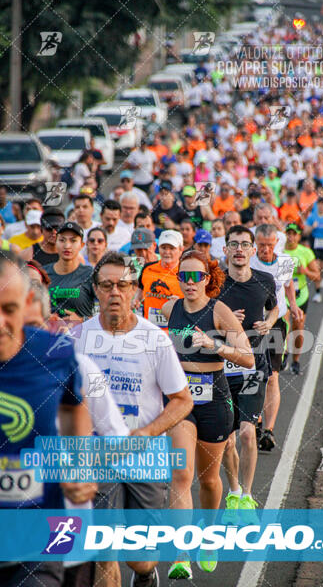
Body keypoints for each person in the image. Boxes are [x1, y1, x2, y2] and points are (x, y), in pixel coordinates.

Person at [73, 251, 193, 587]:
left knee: (138, 557)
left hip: (144, 456)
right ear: (95, 290)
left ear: (135, 291)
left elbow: (182, 400)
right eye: (107, 285)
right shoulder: (78, 339)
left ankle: (145, 573)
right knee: (104, 550)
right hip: (97, 456)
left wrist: (148, 432)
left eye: (123, 285)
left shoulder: (154, 339)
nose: (115, 292)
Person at [0, 252, 95, 587]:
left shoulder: (55, 352)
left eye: (8, 310)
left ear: (27, 303)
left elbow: (74, 406)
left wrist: (79, 464)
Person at [162, 250, 255, 579]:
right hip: (181, 400)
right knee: (181, 476)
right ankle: (181, 555)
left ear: (207, 279)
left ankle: (209, 536)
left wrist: (215, 345)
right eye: (184, 277)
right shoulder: (168, 308)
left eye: (196, 277)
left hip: (214, 398)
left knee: (209, 479)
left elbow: (247, 358)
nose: (189, 283)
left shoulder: (219, 311)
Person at [218, 225, 278, 520]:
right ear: (225, 251)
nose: (239, 249)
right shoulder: (215, 285)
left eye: (244, 244)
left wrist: (270, 322)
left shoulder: (265, 280)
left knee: (247, 434)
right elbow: (201, 320)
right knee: (227, 440)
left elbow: (275, 308)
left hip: (254, 368)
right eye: (233, 244)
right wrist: (226, 322)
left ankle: (248, 495)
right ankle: (233, 490)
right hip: (222, 371)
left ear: (253, 251)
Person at [251, 224, 303, 451]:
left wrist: (293, 305)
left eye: (269, 245)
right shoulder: (249, 261)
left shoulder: (283, 262)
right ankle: (256, 421)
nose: (265, 249)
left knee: (272, 376)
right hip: (251, 324)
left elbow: (288, 284)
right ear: (255, 243)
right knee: (253, 372)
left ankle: (269, 431)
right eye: (261, 245)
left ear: (276, 243)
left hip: (276, 325)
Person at [284, 223, 320, 374]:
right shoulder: (279, 252)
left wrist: (304, 271)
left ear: (299, 236)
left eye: (294, 234)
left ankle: (296, 361)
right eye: (288, 233)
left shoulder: (305, 252)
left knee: (297, 329)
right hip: (283, 295)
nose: (291, 237)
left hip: (300, 296)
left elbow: (317, 275)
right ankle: (283, 354)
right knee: (283, 325)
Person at [44, 222, 96, 322]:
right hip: (49, 335)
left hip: (81, 335)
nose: (67, 246)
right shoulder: (43, 274)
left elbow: (107, 312)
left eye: (73, 241)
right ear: (55, 242)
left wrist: (82, 320)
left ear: (81, 245)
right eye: (62, 240)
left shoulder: (90, 274)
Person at [135, 230, 183, 331]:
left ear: (181, 249)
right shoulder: (148, 268)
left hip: (174, 331)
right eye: (163, 248)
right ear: (158, 247)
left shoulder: (185, 272)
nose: (167, 252)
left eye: (171, 248)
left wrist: (181, 303)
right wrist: (136, 300)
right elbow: (140, 290)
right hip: (148, 329)